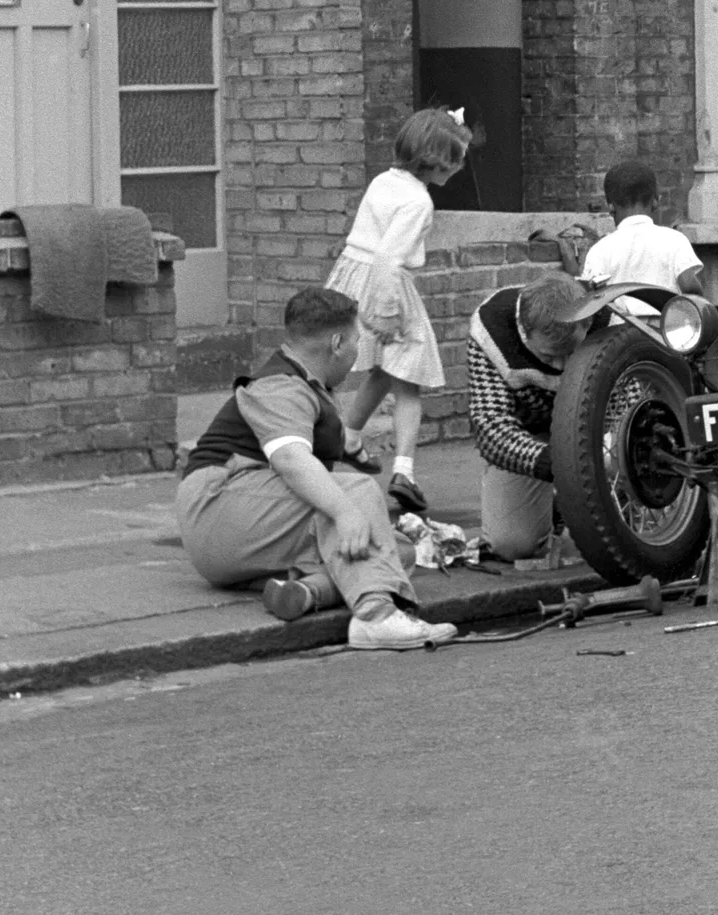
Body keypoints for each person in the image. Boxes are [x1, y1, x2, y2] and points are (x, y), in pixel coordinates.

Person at [176, 287, 458, 649]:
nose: (358, 353)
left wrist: (346, 447)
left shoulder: (308, 384)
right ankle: (376, 616)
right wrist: (344, 511)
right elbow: (291, 460)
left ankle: (305, 591)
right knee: (353, 493)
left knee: (395, 551)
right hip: (215, 505)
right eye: (357, 341)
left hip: (241, 527)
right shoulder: (279, 385)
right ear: (338, 343)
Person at [325, 107, 471, 511]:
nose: (460, 167)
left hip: (352, 276)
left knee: (384, 370)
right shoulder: (419, 202)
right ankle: (404, 473)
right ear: (437, 161)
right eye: (456, 158)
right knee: (409, 381)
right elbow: (389, 257)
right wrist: (386, 310)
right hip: (384, 284)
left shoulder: (383, 182)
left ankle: (350, 436)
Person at [466, 271, 590, 560]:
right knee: (513, 546)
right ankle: (555, 507)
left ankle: (567, 510)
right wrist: (556, 462)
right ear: (524, 328)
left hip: (593, 437)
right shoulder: (491, 330)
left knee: (601, 544)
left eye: (570, 353)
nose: (560, 367)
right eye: (549, 357)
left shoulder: (605, 317)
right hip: (530, 437)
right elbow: (491, 426)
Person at [579, 160, 705, 295]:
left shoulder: (600, 251)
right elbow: (690, 286)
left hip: (619, 316)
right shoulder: (675, 240)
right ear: (656, 201)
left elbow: (591, 298)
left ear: (610, 207)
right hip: (666, 314)